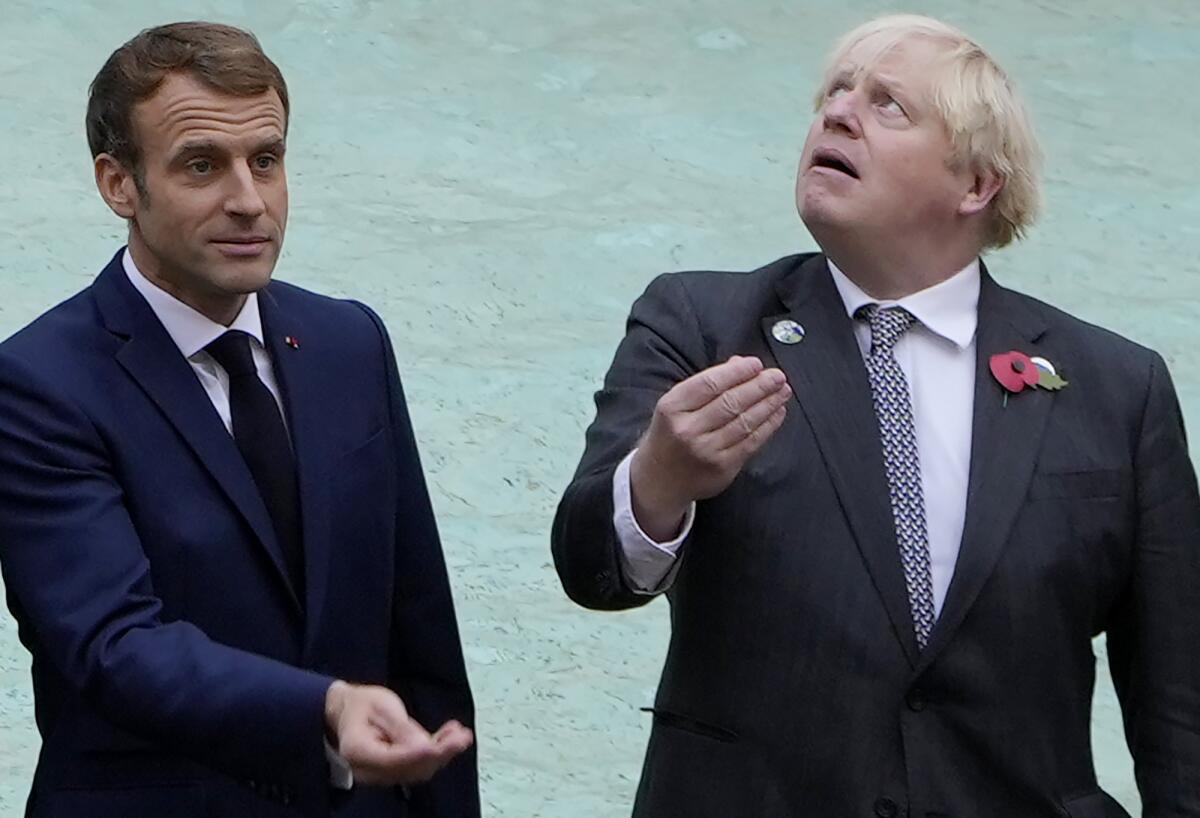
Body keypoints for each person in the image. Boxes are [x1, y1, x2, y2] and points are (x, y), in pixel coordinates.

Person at [552, 14, 1200, 818]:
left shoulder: (1116, 388)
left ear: (976, 184)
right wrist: (658, 481)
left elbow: (1181, 707)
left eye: (889, 104)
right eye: (834, 93)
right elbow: (591, 570)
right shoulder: (699, 324)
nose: (837, 113)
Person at [0, 22, 478, 818]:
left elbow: (419, 630)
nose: (249, 201)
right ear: (119, 184)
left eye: (266, 159)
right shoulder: (36, 386)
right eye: (201, 165)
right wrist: (322, 707)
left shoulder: (349, 342)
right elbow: (114, 646)